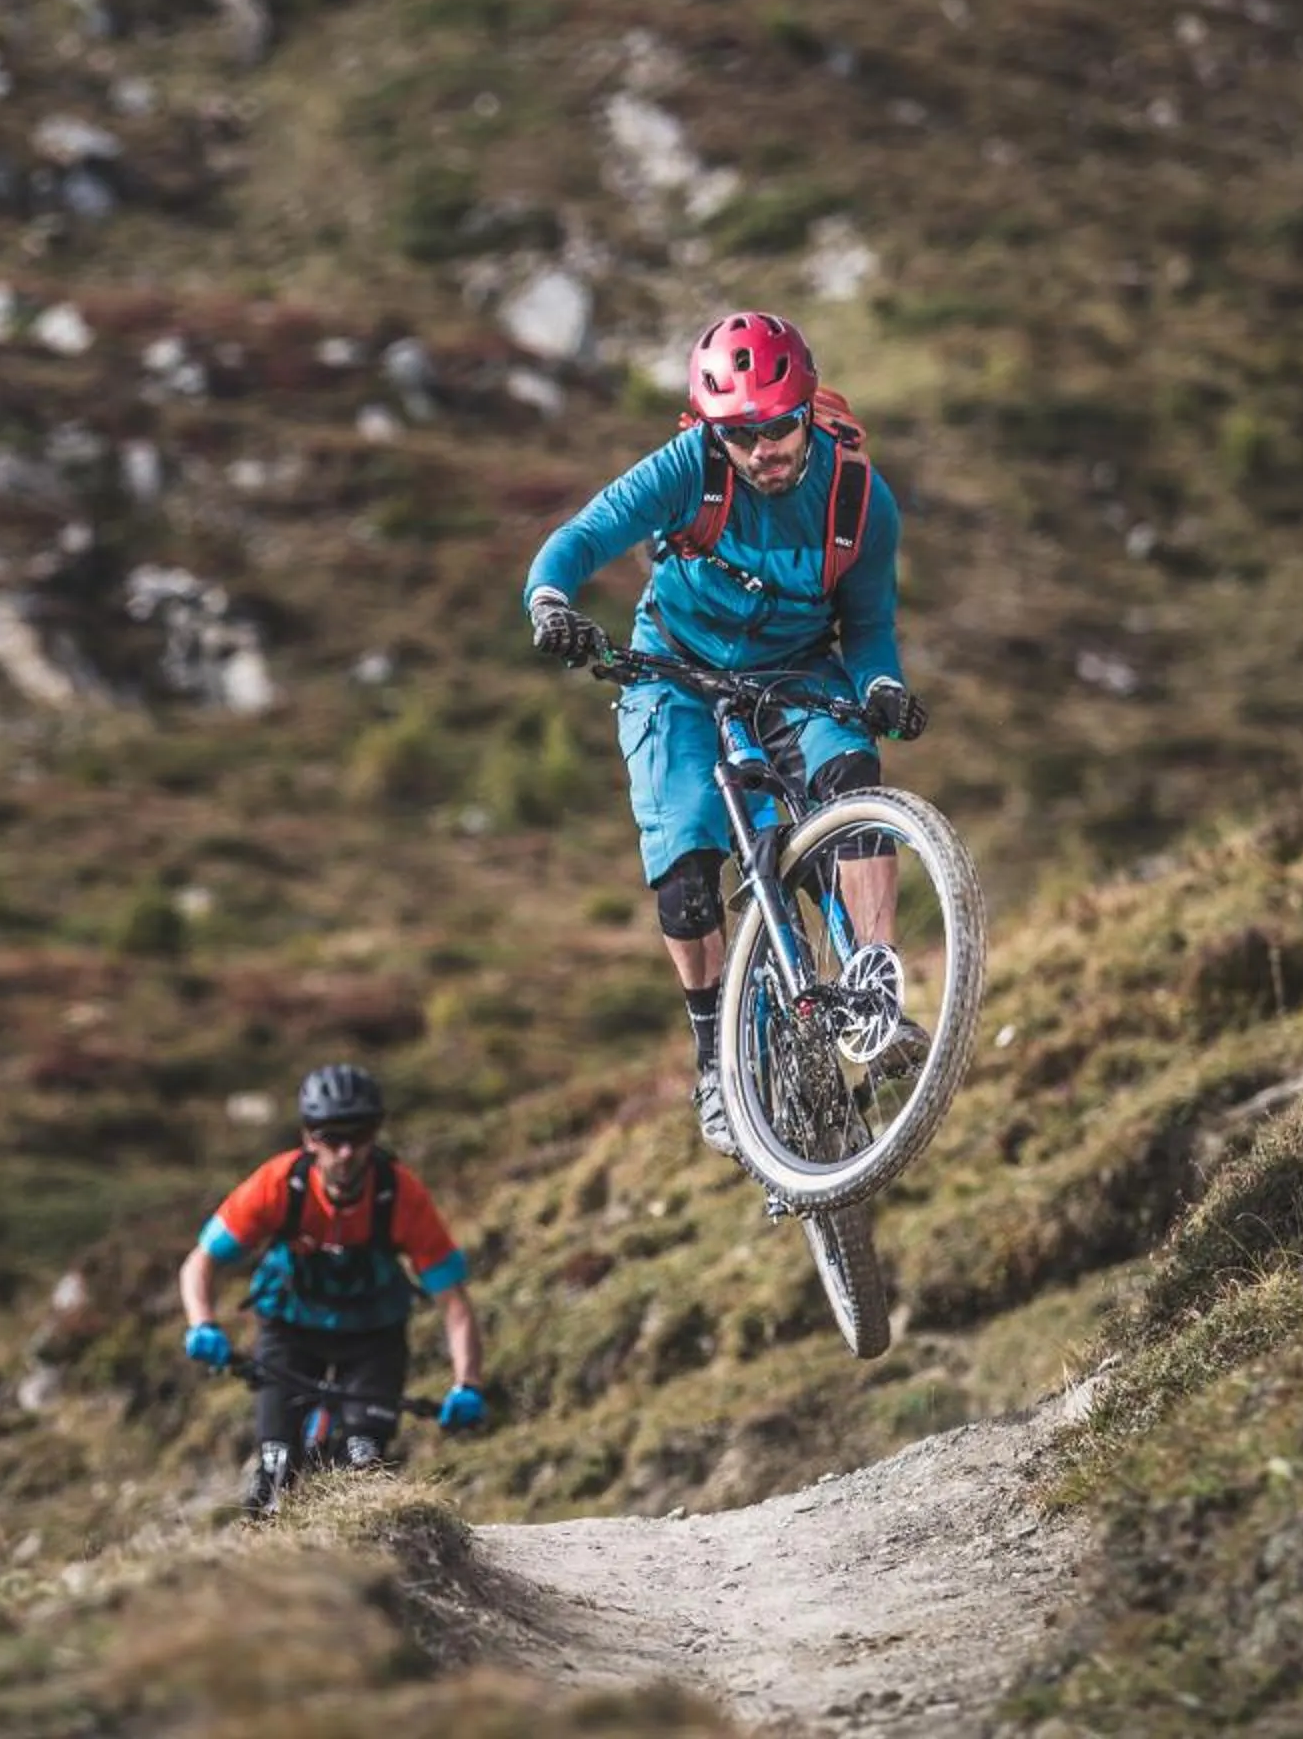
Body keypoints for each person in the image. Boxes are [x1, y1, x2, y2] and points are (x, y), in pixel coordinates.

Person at [521, 309, 927, 1162]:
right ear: (715, 432)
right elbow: (582, 537)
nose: (763, 449)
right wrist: (550, 602)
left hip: (800, 670)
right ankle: (716, 1062)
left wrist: (883, 686)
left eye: (778, 426)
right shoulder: (688, 470)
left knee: (852, 782)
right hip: (674, 669)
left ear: (807, 408)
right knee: (686, 876)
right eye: (741, 434)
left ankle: (873, 983)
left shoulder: (858, 499)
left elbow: (872, 625)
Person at [177, 1062, 486, 1513]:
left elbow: (454, 1304)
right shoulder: (277, 1185)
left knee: (364, 1463)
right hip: (288, 1328)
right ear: (308, 1137)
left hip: (373, 1336)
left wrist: (467, 1383)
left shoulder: (402, 1196)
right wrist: (201, 1324)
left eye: (359, 1137)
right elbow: (199, 1263)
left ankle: (363, 1575)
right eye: (331, 1137)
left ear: (375, 1134)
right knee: (275, 1466)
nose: (345, 1152)